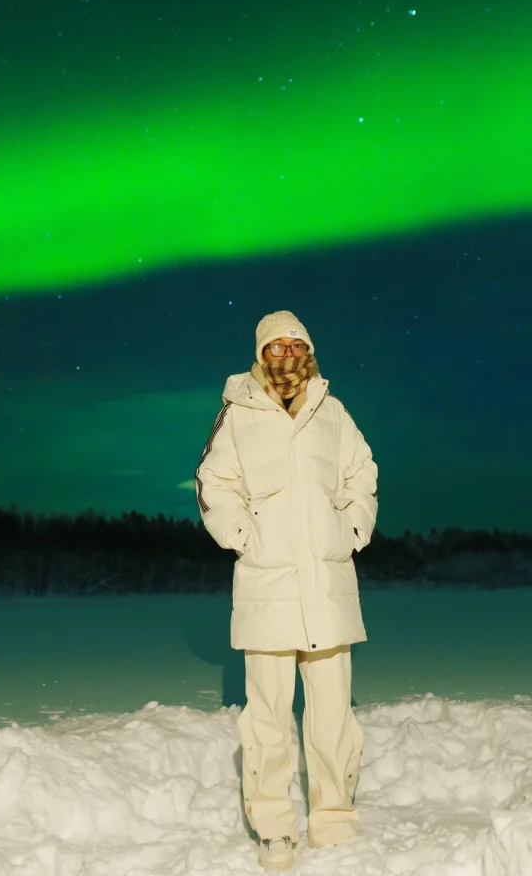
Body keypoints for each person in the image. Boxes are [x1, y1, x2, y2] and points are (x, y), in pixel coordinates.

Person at [194, 310, 380, 871]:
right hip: (267, 583)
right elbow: (212, 480)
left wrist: (352, 526)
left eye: (296, 344)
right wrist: (242, 536)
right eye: (276, 347)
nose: (287, 354)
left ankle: (334, 821)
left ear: (310, 350)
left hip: (326, 583)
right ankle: (274, 826)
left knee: (332, 715)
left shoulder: (333, 411)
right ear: (261, 353)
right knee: (267, 716)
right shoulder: (238, 412)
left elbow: (362, 472)